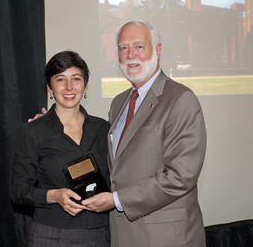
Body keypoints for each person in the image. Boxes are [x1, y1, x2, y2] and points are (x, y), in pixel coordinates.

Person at [30, 19, 207, 247]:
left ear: (158, 49)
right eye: (123, 48)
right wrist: (50, 123)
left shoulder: (181, 99)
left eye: (139, 46)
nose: (130, 54)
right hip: (121, 234)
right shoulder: (119, 103)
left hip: (165, 237)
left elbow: (180, 176)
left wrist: (116, 199)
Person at [12, 51, 110, 246]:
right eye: (60, 80)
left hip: (98, 234)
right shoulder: (34, 131)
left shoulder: (103, 129)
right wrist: (54, 196)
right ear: (49, 88)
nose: (69, 87)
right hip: (50, 235)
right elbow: (19, 191)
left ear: (86, 85)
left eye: (76, 79)